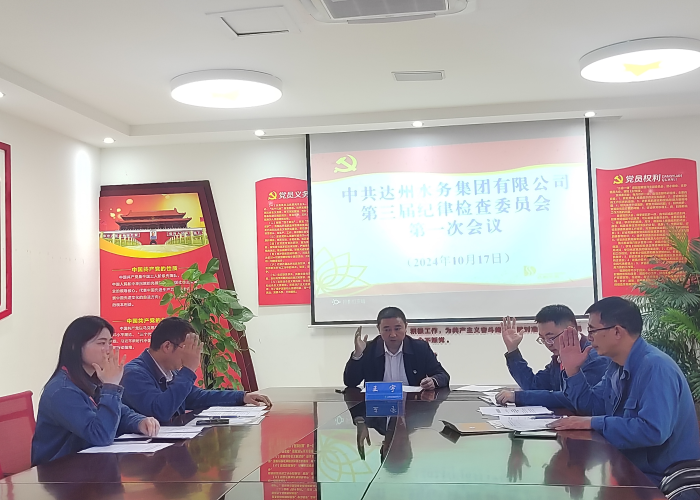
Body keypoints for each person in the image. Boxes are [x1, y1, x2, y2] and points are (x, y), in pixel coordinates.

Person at [549, 297, 700, 486]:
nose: (589, 338)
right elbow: (593, 407)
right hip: (628, 468)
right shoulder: (615, 366)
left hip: (661, 478)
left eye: (593, 330)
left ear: (617, 331)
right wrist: (573, 371)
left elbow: (653, 431)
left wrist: (594, 422)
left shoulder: (655, 367)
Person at [31, 316, 159, 466]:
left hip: (86, 466)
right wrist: (111, 386)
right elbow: (101, 435)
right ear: (75, 346)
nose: (108, 350)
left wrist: (139, 421)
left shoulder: (89, 380)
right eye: (101, 343)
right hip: (57, 472)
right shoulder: (62, 390)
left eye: (110, 342)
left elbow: (119, 412)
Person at [121, 317, 271, 423]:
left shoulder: (170, 371)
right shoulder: (133, 374)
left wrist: (242, 397)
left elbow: (197, 396)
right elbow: (160, 412)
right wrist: (188, 369)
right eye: (188, 348)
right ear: (167, 346)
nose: (192, 354)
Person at [495, 305, 608, 409]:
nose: (548, 344)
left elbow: (572, 398)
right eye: (542, 339)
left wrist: (519, 397)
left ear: (571, 330)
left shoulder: (595, 357)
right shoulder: (558, 358)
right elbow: (534, 386)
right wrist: (513, 349)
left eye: (551, 338)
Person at [343, 306, 450, 390]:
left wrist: (433, 381)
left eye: (397, 328)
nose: (393, 334)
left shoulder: (420, 348)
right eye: (387, 329)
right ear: (379, 329)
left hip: (412, 405)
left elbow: (442, 375)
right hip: (377, 406)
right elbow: (350, 382)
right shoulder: (369, 349)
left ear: (406, 327)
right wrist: (357, 355)